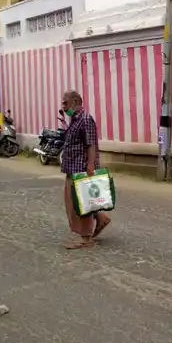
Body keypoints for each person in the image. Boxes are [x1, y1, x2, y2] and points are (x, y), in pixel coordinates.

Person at [60, 90, 111, 249]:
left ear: (75, 102)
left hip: (80, 167)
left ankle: (86, 238)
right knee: (78, 200)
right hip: (72, 167)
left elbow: (91, 144)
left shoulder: (85, 119)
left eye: (65, 103)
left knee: (81, 203)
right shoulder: (74, 120)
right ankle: (101, 217)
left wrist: (90, 165)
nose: (63, 106)